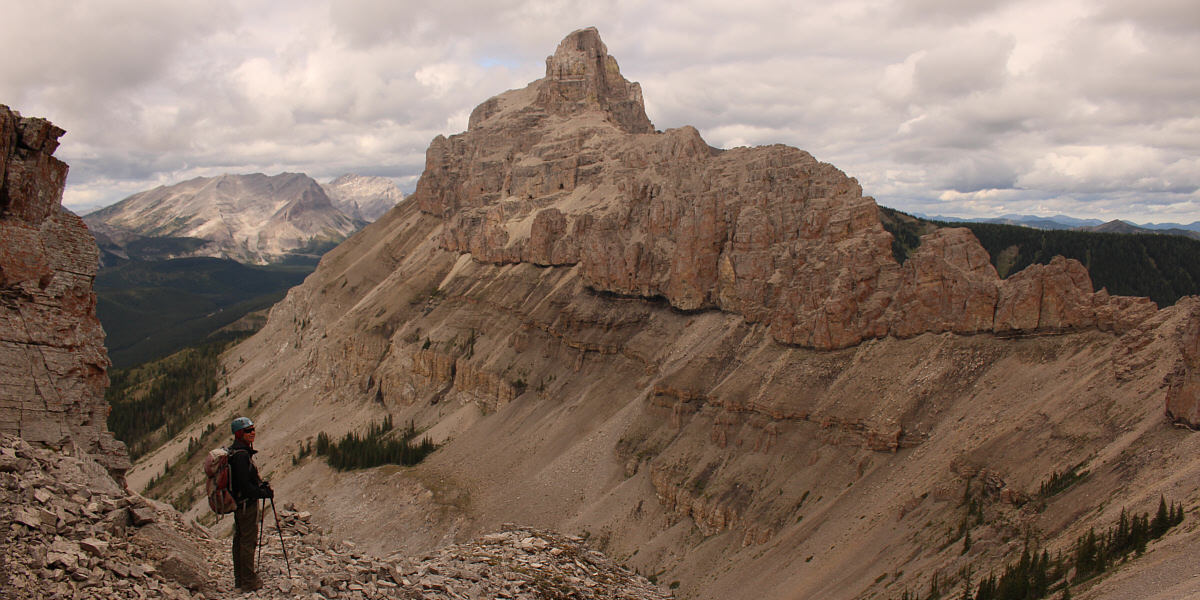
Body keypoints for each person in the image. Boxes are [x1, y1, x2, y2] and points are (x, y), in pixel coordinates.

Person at [228, 416, 274, 592]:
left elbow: (245, 481)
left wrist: (259, 486)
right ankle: (248, 582)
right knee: (248, 542)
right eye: (248, 430)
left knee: (239, 540)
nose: (252, 432)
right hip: (247, 505)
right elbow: (245, 486)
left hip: (239, 504)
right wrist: (263, 493)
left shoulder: (236, 452)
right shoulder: (241, 456)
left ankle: (240, 580)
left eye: (253, 429)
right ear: (240, 433)